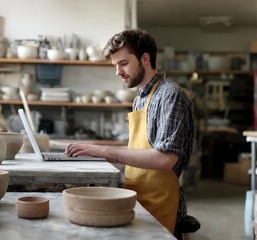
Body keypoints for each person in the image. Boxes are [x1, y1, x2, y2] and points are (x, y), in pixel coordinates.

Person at [65, 29, 195, 235]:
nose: (118, 72)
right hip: (138, 197)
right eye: (115, 66)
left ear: (145, 59)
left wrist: (105, 151)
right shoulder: (140, 97)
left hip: (160, 205)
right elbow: (141, 151)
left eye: (123, 63)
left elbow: (165, 159)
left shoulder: (171, 95)